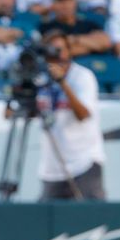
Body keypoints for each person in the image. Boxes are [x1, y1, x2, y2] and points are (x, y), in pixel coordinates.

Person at [33, 29, 105, 200]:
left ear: (69, 51)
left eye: (60, 49)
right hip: (52, 166)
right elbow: (21, 113)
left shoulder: (82, 76)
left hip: (84, 161)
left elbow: (83, 114)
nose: (56, 55)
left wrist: (63, 83)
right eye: (51, 50)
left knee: (92, 217)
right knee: (47, 222)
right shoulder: (41, 79)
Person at [38, 0, 111, 58]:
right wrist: (90, 45)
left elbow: (105, 43)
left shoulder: (88, 24)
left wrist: (74, 39)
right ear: (53, 5)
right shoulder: (46, 27)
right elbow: (59, 52)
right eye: (60, 1)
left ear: (74, 2)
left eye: (67, 0)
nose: (64, 5)